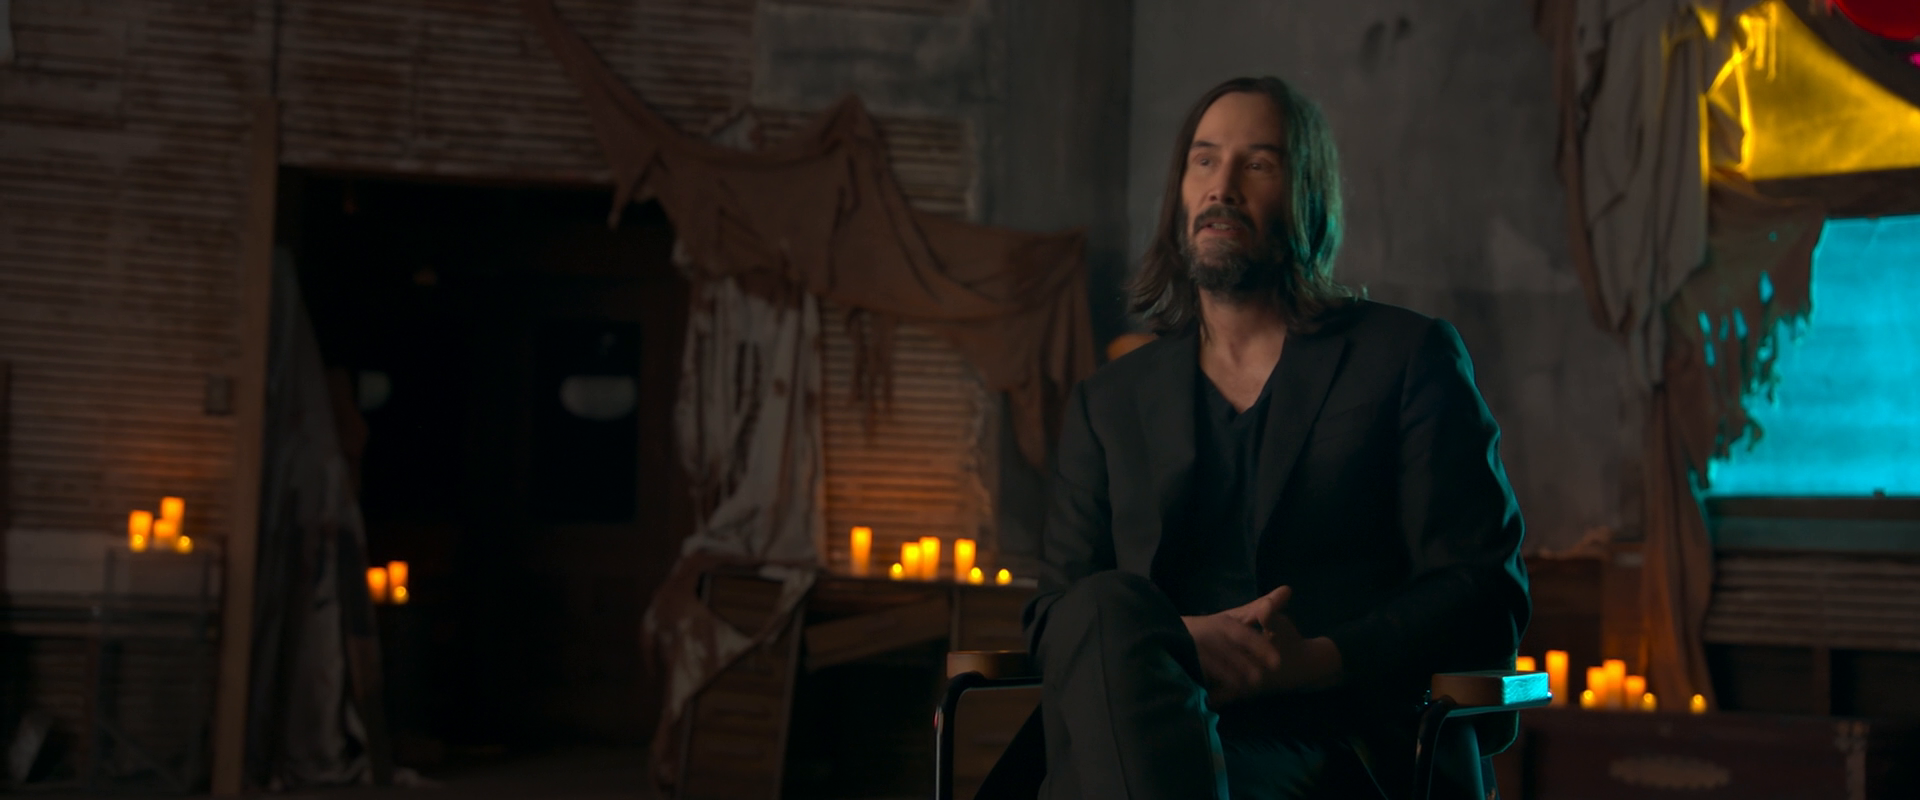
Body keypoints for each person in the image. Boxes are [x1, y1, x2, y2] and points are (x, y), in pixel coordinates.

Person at [1020, 76, 1530, 799]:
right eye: (1204, 160)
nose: (1222, 187)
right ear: (1179, 193)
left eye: (1257, 164)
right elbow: (1057, 617)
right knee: (1101, 608)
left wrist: (1313, 660)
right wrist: (1173, 644)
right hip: (1141, 729)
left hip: (1337, 743)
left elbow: (1481, 589)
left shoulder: (1406, 359)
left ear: (1306, 195)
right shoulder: (1110, 402)